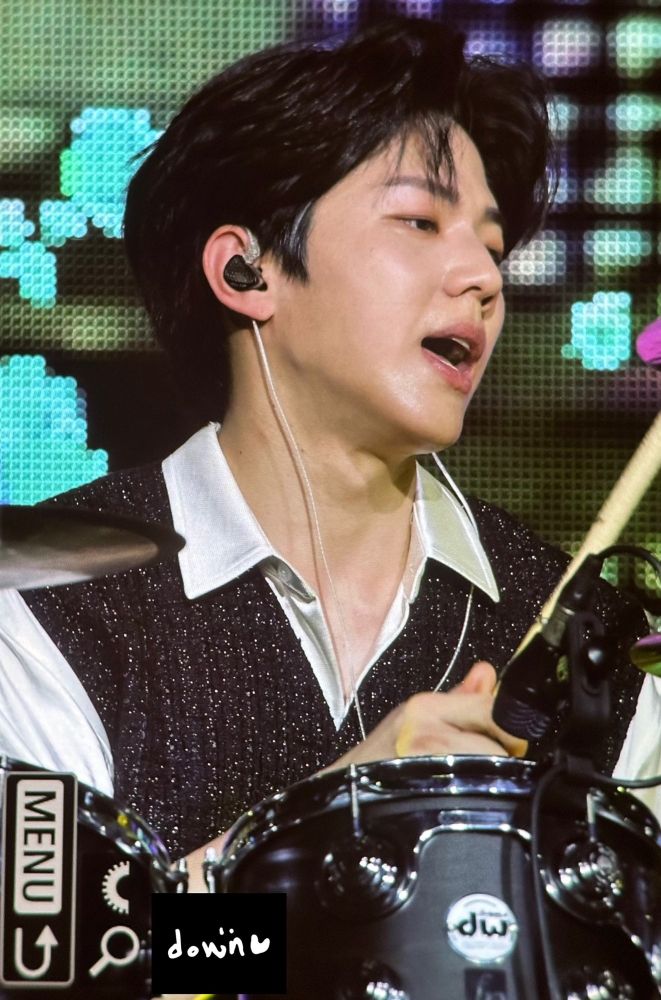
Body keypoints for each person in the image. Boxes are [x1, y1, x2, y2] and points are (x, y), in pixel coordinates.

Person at [0, 18, 648, 889]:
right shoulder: (49, 610)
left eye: (492, 246)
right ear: (246, 271)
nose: (484, 278)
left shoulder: (587, 644)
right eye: (419, 220)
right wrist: (325, 832)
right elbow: (67, 958)